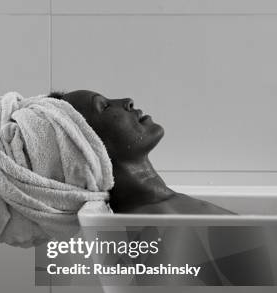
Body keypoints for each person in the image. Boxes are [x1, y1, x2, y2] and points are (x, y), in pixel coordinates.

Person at [48, 89, 233, 215]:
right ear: (88, 148)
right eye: (104, 106)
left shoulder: (163, 207)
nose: (127, 101)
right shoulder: (153, 230)